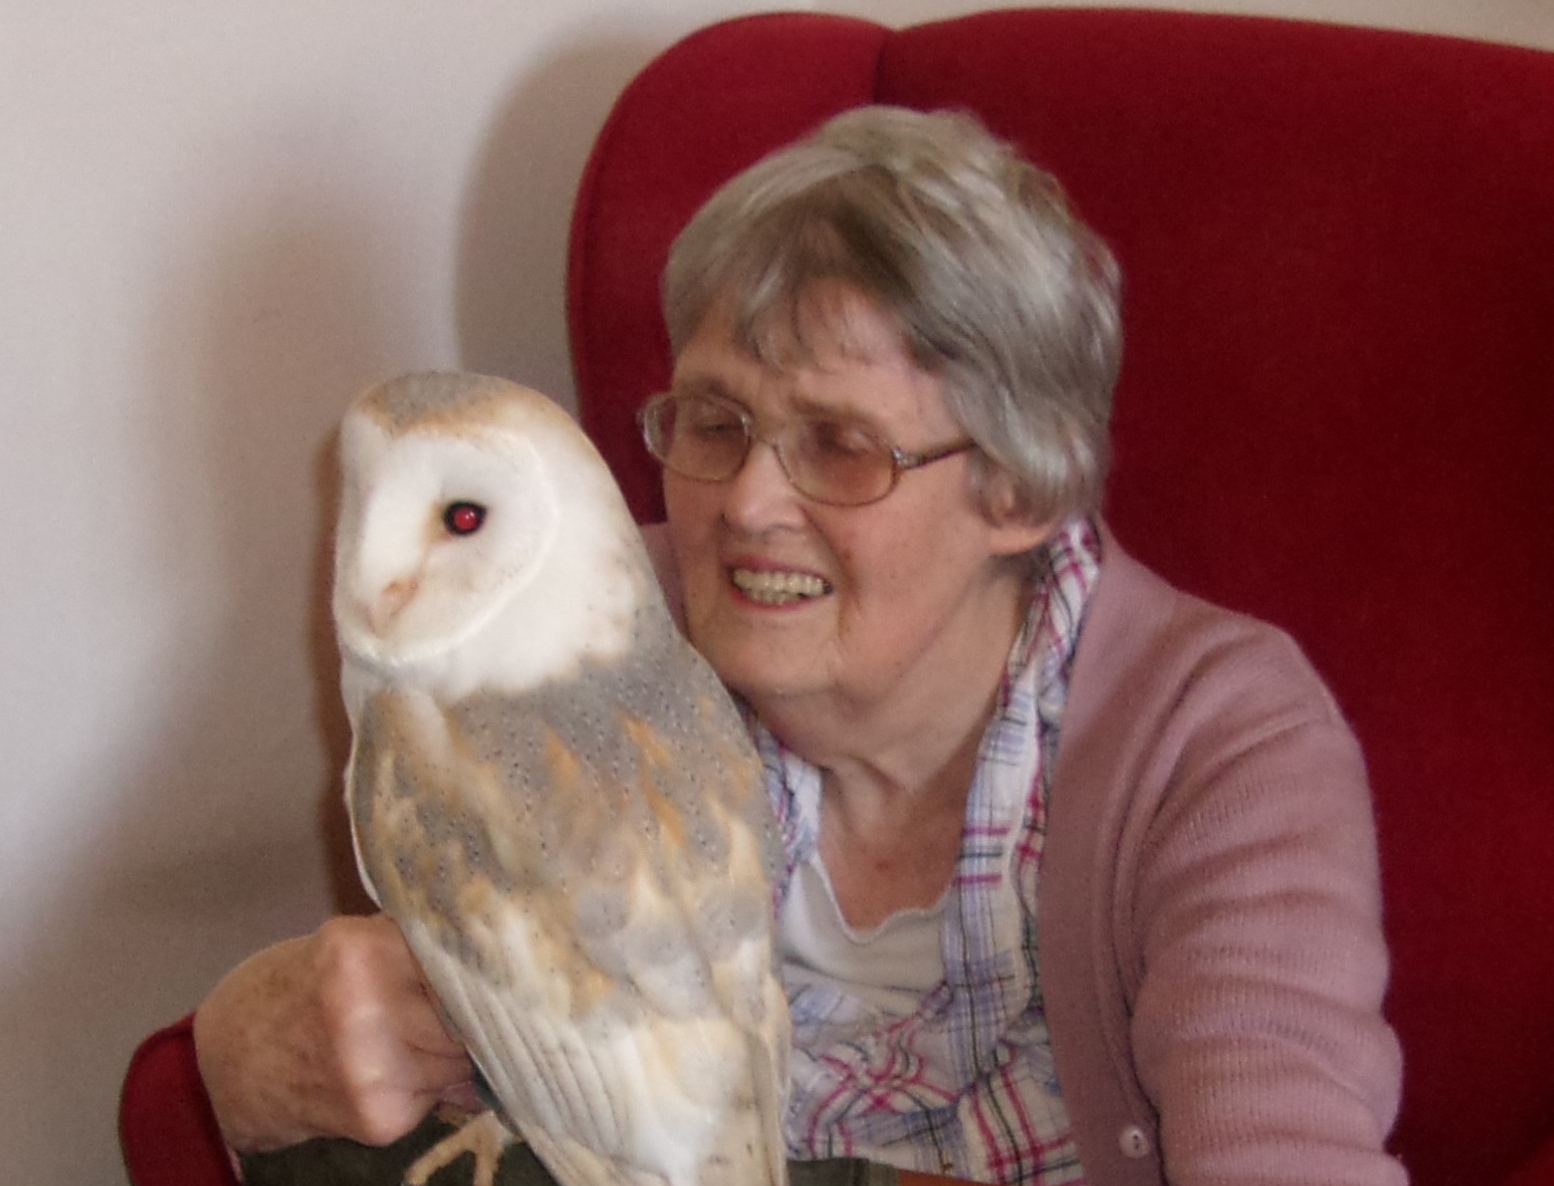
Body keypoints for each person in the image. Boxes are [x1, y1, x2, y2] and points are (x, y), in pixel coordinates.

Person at [195, 107, 1405, 1185]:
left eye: (840, 442)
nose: (745, 505)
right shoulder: (578, 634)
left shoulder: (1216, 742)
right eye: (714, 421)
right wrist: (246, 1039)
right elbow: (442, 1025)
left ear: (1024, 491)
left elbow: (1282, 1137)